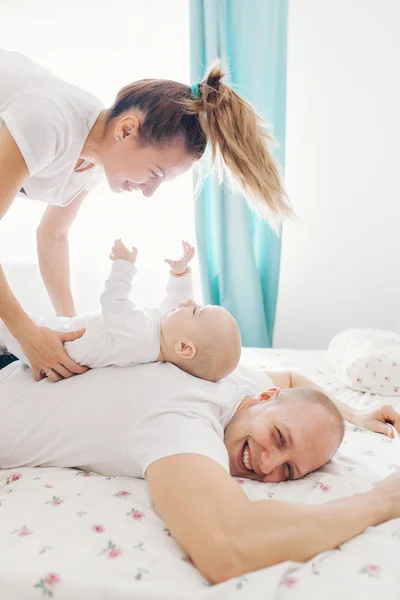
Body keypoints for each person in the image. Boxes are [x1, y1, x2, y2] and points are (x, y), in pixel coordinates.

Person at [0, 49, 291, 383]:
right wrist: (25, 332)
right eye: (154, 172)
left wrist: (70, 327)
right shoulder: (49, 121)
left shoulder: (94, 162)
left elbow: (52, 235)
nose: (150, 191)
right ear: (126, 130)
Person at [1, 359, 399, 583]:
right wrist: (381, 499)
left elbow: (293, 378)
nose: (266, 465)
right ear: (263, 400)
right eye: (278, 438)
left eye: (289, 471)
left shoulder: (235, 383)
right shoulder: (181, 420)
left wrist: (352, 413)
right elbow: (227, 547)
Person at [0, 239, 241, 381]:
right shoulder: (160, 338)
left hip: (50, 342)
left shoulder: (140, 337)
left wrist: (124, 267)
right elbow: (177, 302)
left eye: (197, 311)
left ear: (184, 348)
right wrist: (180, 273)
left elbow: (114, 303)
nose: (190, 303)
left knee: (5, 325)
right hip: (56, 331)